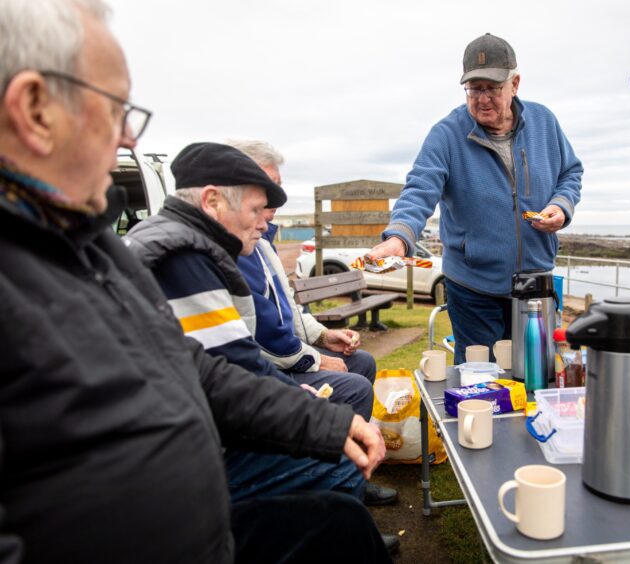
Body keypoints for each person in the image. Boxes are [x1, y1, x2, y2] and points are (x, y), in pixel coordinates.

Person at [0, 1, 390, 562]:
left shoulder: (91, 248)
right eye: (116, 109)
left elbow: (193, 367)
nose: (130, 140)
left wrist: (321, 424)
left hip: (204, 517)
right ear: (35, 109)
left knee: (341, 529)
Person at [124, 142, 400, 548]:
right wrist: (311, 415)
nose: (264, 223)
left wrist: (293, 394)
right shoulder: (184, 259)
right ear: (213, 201)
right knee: (340, 464)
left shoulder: (176, 242)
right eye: (255, 210)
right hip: (182, 459)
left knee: (338, 484)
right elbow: (226, 378)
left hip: (180, 435)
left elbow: (225, 363)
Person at [367, 33, 583, 364]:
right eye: (474, 89)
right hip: (473, 288)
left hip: (535, 284)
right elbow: (420, 186)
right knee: (480, 385)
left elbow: (570, 173)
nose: (482, 99)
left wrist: (561, 206)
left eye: (492, 88)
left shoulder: (545, 123)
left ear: (515, 83)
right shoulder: (446, 134)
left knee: (536, 378)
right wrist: (400, 237)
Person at [228, 138, 397, 507]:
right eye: (267, 185)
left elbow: (287, 307)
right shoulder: (238, 246)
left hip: (281, 361)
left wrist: (324, 335)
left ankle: (351, 473)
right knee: (354, 387)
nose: (277, 195)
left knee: (362, 361)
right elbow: (264, 332)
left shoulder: (264, 241)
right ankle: (341, 481)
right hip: (270, 369)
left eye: (279, 184)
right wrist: (315, 359)